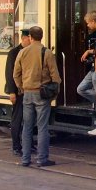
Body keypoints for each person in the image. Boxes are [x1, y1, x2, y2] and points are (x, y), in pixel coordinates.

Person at [13, 26, 61, 167]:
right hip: (42, 93)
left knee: (27, 126)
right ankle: (42, 159)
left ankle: (25, 159)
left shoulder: (22, 52)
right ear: (42, 36)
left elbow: (16, 74)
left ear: (30, 37)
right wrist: (54, 93)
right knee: (42, 127)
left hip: (27, 93)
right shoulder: (46, 53)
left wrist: (21, 87)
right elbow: (55, 76)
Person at [4, 28, 31, 155]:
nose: (30, 41)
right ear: (23, 39)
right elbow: (9, 73)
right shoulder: (14, 52)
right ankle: (16, 146)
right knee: (17, 118)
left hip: (28, 90)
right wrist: (12, 92)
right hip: (18, 91)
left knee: (29, 119)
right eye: (29, 39)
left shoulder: (31, 52)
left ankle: (28, 144)